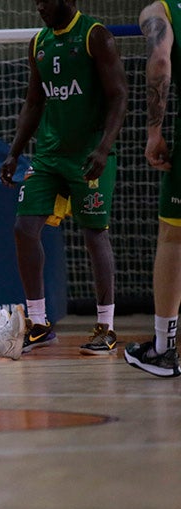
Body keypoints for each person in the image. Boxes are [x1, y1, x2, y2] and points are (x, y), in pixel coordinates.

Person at [0, 0, 128, 356]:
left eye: (45, 0)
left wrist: (103, 148)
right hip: (48, 156)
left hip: (88, 154)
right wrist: (14, 151)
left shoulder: (94, 35)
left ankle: (107, 326)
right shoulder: (39, 42)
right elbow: (34, 102)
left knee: (94, 235)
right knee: (24, 229)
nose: (39, 6)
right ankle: (39, 324)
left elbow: (118, 95)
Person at [124, 1, 181, 377]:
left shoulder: (162, 10)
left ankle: (163, 348)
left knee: (173, 236)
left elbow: (160, 61)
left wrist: (153, 132)